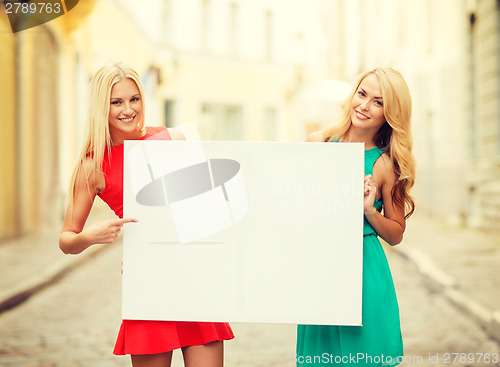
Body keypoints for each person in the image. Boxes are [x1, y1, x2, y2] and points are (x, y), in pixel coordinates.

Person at [59, 62, 234, 367]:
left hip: (195, 276)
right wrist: (88, 237)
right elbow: (66, 239)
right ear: (102, 107)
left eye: (134, 99)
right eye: (116, 102)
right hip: (149, 282)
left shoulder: (169, 138)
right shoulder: (93, 165)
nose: (128, 109)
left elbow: (204, 207)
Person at [296, 67, 415, 366]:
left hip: (364, 269)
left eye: (378, 102)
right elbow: (297, 207)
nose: (364, 105)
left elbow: (396, 234)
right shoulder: (318, 143)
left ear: (389, 113)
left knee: (363, 359)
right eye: (362, 94)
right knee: (319, 359)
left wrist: (367, 209)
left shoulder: (386, 164)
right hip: (321, 265)